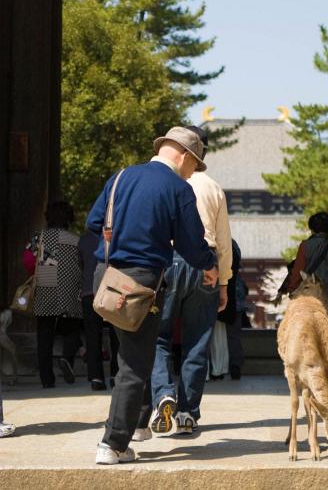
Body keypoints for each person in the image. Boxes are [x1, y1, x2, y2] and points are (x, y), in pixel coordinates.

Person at [86, 126, 217, 464]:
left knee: (131, 352)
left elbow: (93, 221)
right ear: (185, 155)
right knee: (134, 364)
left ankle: (138, 426)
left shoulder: (121, 177)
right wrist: (209, 265)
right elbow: (192, 243)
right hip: (142, 284)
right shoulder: (178, 188)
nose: (193, 172)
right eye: (195, 165)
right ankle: (112, 444)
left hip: (106, 277)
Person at [148, 126, 232, 435]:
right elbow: (224, 240)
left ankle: (163, 395)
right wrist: (224, 281)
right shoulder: (212, 186)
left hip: (168, 260)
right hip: (205, 263)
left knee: (158, 336)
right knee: (198, 341)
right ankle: (187, 412)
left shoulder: (162, 181)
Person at [23, 201, 82, 388]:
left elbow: (27, 261)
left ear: (48, 217)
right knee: (73, 326)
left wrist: (39, 270)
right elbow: (83, 263)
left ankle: (47, 380)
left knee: (45, 334)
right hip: (70, 286)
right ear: (69, 218)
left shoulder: (38, 238)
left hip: (46, 284)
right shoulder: (76, 240)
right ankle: (66, 358)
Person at [79, 228, 119, 391]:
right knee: (116, 333)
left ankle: (96, 377)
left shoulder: (84, 240)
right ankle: (116, 374)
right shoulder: (117, 235)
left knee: (92, 335)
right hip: (113, 289)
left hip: (89, 290)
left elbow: (81, 265)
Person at [286, 211, 328, 300]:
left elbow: (297, 273)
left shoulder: (305, 246)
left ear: (312, 229)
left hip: (312, 298)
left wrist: (292, 290)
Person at [224, 240, 247, 380]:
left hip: (214, 290)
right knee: (234, 336)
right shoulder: (233, 245)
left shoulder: (212, 242)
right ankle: (235, 365)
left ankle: (213, 368)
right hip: (236, 297)